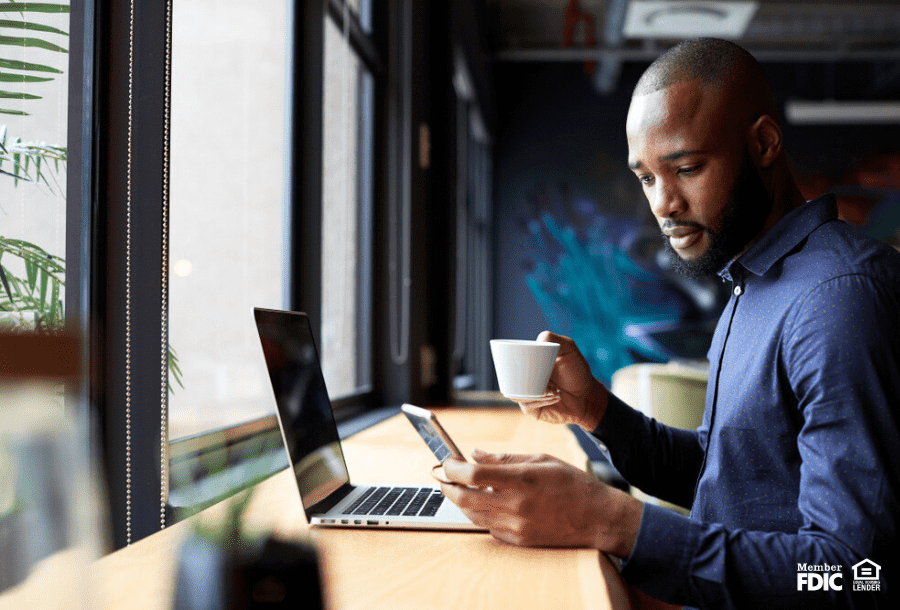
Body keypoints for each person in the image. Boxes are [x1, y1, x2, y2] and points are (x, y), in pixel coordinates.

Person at [439, 38, 900, 609]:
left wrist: (614, 521)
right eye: (647, 178)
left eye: (685, 168)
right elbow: (727, 477)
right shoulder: (753, 282)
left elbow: (858, 574)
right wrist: (597, 412)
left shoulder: (838, 302)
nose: (663, 203)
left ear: (762, 144)